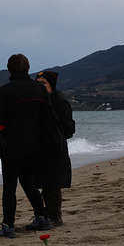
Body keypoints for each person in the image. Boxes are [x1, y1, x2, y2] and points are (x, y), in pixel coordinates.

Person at [0, 54, 53, 238]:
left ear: (10, 70)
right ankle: (42, 217)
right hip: (36, 145)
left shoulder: (6, 91)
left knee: (9, 186)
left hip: (13, 146)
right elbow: (48, 116)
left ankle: (8, 226)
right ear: (28, 69)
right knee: (28, 181)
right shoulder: (40, 88)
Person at [35, 71, 75, 227]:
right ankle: (45, 213)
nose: (41, 86)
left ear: (52, 85)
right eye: (38, 83)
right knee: (43, 183)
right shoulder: (38, 103)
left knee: (53, 184)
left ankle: (55, 216)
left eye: (43, 83)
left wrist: (54, 135)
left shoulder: (60, 103)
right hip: (40, 148)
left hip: (56, 149)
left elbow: (68, 129)